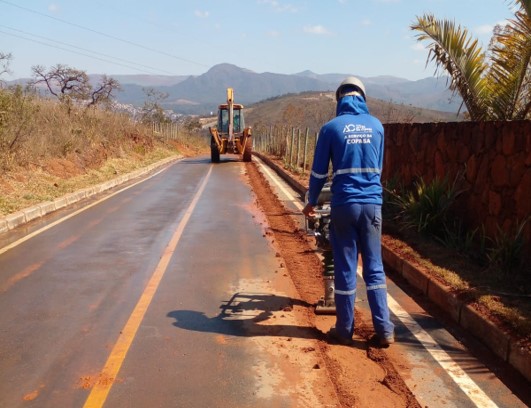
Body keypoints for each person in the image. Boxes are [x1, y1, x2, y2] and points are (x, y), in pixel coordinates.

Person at [302, 77, 395, 347]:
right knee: (374, 268)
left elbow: (319, 172)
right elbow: (377, 166)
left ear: (340, 99)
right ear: (362, 98)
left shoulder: (331, 128)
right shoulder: (377, 127)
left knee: (345, 267)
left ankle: (344, 330)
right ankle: (385, 329)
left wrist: (311, 202)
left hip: (344, 206)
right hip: (372, 205)